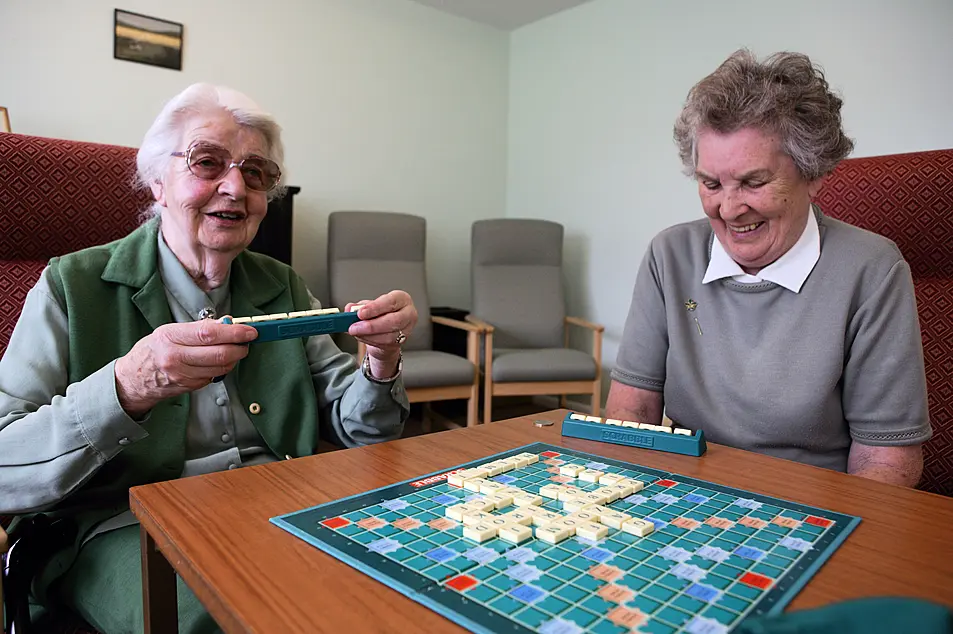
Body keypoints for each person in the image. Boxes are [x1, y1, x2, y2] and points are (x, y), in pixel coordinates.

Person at [0, 83, 416, 633]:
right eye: (208, 162)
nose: (235, 187)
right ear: (156, 181)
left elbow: (363, 430)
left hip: (286, 507)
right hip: (121, 525)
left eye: (256, 173)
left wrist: (379, 361)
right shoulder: (69, 286)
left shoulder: (283, 285)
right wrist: (129, 386)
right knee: (241, 618)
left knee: (407, 582)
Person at [606, 50, 931, 487]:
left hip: (812, 511)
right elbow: (631, 412)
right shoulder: (669, 254)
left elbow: (886, 464)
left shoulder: (872, 269)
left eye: (754, 182)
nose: (729, 208)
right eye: (710, 183)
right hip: (683, 501)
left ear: (813, 174)